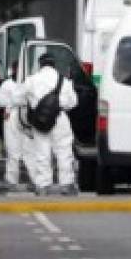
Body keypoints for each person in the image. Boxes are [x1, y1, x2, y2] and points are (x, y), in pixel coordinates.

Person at [20, 52, 79, 196]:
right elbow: (73, 102)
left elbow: (18, 97)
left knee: (42, 152)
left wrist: (31, 103)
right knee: (64, 151)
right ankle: (66, 184)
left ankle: (42, 186)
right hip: (60, 118)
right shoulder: (64, 81)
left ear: (40, 65)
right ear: (54, 64)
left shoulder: (32, 80)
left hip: (40, 120)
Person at [0, 73, 32, 192]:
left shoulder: (29, 82)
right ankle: (12, 180)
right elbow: (0, 101)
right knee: (13, 150)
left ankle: (35, 179)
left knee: (29, 150)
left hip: (25, 115)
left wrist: (11, 102)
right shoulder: (7, 84)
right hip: (13, 116)